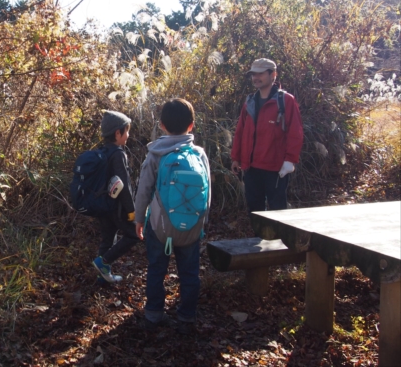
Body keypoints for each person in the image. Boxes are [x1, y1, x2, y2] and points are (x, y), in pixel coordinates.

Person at [134, 99, 211, 335]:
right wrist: (202, 223)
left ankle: (154, 314)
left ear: (162, 125)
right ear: (192, 126)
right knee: (189, 273)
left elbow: (143, 190)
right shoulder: (199, 154)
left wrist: (139, 219)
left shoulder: (156, 154)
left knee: (157, 269)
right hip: (191, 230)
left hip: (159, 228)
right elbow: (207, 191)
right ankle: (187, 316)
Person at [230, 58, 303, 213]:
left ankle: (279, 238)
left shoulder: (285, 101)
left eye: (260, 73)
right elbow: (240, 131)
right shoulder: (249, 101)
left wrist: (290, 160)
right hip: (250, 168)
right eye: (253, 74)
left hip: (275, 169)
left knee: (278, 212)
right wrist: (236, 158)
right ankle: (258, 238)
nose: (256, 77)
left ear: (273, 74)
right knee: (255, 211)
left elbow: (295, 132)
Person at [91, 110, 139, 284]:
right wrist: (132, 211)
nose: (128, 135)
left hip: (103, 205)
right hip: (117, 207)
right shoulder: (118, 154)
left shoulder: (102, 151)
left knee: (107, 240)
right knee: (134, 235)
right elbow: (124, 186)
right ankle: (103, 262)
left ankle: (102, 278)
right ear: (117, 133)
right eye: (126, 131)